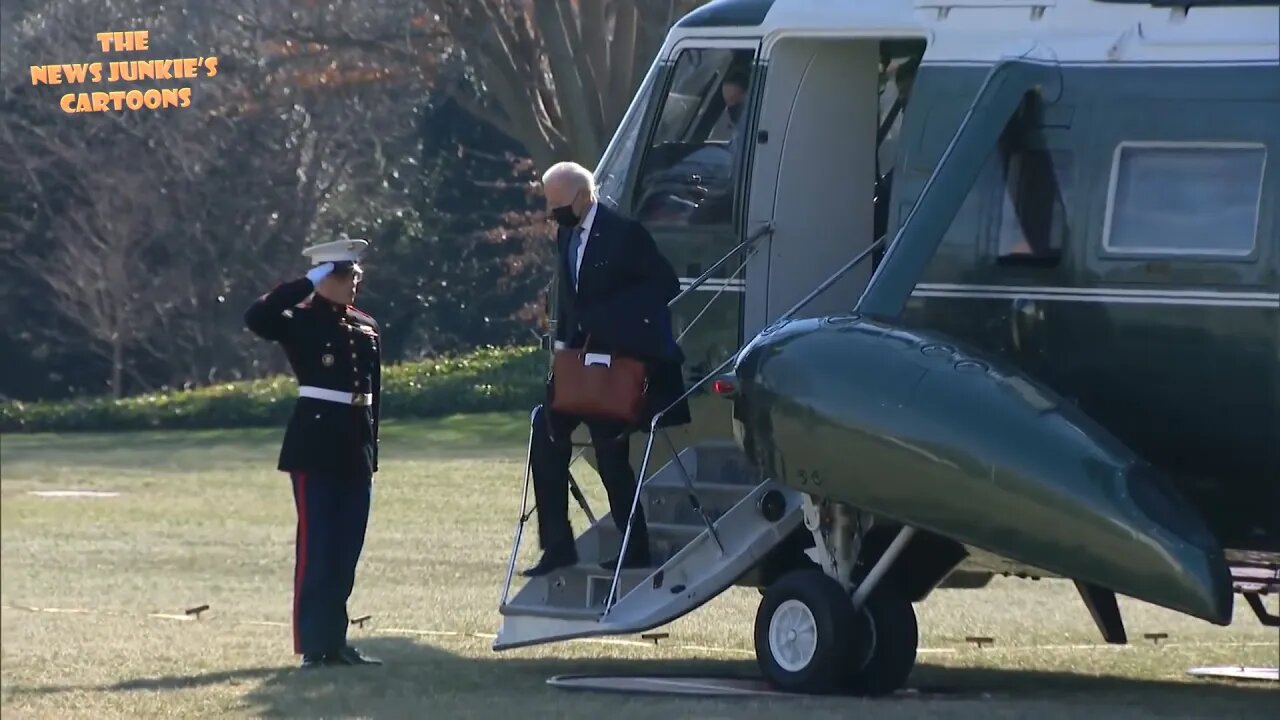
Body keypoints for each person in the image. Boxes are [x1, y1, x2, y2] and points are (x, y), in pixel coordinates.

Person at [521, 161, 691, 578]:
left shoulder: (624, 234)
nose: (552, 212)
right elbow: (571, 297)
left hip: (622, 364)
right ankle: (557, 544)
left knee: (610, 451)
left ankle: (635, 546)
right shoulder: (566, 233)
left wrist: (609, 320)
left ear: (583, 197)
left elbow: (664, 286)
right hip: (581, 361)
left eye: (557, 204)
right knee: (545, 429)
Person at [243, 238, 383, 669]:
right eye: (342, 276)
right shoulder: (297, 319)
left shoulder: (365, 325)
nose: (352, 283)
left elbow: (374, 394)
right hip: (316, 445)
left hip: (354, 444)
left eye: (355, 275)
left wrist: (372, 452)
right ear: (324, 278)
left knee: (345, 550)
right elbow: (256, 317)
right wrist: (306, 282)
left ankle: (335, 642)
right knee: (316, 548)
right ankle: (312, 646)